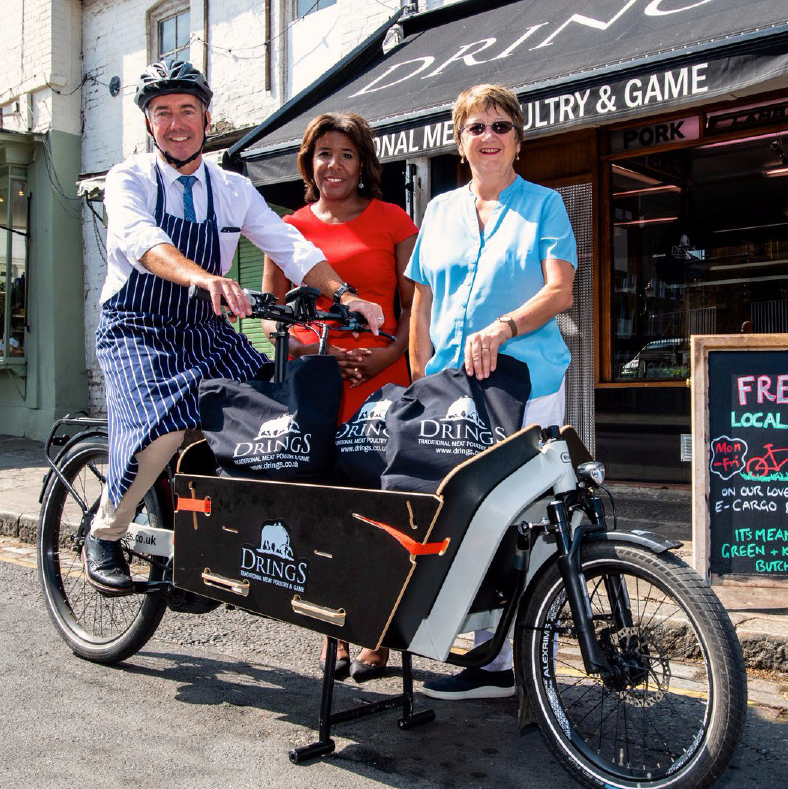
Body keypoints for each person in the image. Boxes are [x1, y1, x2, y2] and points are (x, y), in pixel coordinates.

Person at [85, 59, 384, 596]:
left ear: (205, 116)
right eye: (162, 113)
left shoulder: (232, 188)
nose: (176, 124)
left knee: (275, 414)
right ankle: (105, 531)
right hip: (137, 328)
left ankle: (211, 539)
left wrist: (345, 295)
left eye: (187, 111)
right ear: (149, 123)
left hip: (205, 328)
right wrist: (205, 279)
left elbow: (289, 246)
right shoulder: (129, 179)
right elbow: (142, 242)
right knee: (163, 428)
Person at [406, 84, 577, 700]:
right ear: (460, 142)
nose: (489, 136)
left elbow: (561, 292)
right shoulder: (440, 211)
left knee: (529, 518)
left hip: (527, 383)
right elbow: (421, 300)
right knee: (469, 515)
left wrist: (504, 327)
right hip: (452, 391)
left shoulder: (545, 206)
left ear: (519, 141)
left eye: (502, 126)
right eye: (476, 126)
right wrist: (417, 379)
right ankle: (487, 647)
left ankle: (519, 660)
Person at [262, 112, 417, 681]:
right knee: (322, 508)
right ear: (309, 163)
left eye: (347, 154)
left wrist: (384, 356)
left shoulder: (394, 222)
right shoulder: (289, 227)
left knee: (380, 509)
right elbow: (273, 317)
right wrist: (311, 352)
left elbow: (414, 309)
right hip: (317, 387)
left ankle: (377, 633)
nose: (334, 164)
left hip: (381, 382)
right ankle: (335, 629)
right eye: (323, 153)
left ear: (364, 164)